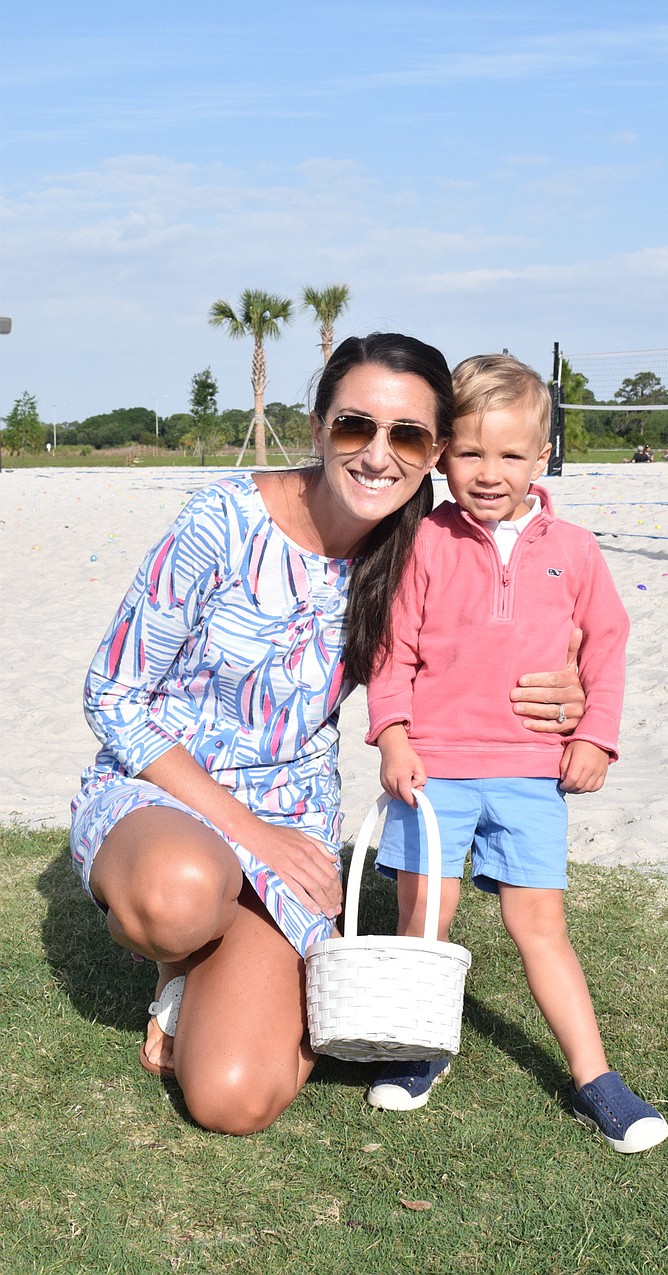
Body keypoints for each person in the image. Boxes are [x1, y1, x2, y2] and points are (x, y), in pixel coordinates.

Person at [69, 333, 586, 1136]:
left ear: (434, 452)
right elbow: (112, 693)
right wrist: (252, 836)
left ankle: (205, 981)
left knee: (235, 1098)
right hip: (162, 792)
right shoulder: (223, 520)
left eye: (407, 435)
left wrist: (571, 682)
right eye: (355, 425)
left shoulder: (417, 550)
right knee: (179, 895)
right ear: (317, 426)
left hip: (292, 813)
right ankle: (178, 956)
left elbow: (472, 656)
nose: (378, 454)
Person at [364, 354, 668, 1154]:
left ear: (542, 456)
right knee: (423, 918)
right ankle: (419, 1045)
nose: (489, 472)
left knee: (540, 925)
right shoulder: (423, 542)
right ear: (442, 455)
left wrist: (595, 733)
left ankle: (595, 1076)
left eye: (509, 454)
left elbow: (606, 644)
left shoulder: (576, 548)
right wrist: (393, 736)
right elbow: (392, 654)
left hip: (532, 773)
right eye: (469, 452)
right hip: (433, 771)